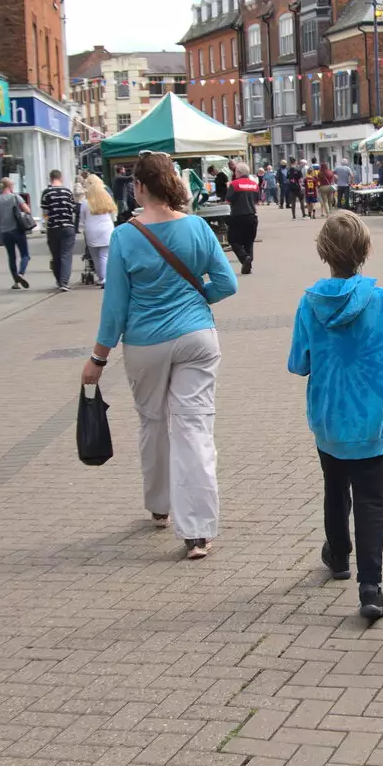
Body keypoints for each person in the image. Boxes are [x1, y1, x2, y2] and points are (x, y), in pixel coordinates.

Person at [84, 152, 237, 561]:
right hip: (196, 337)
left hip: (145, 342)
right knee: (194, 429)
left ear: (138, 187)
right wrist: (198, 300)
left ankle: (159, 505)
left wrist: (98, 359)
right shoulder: (198, 227)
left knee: (153, 422)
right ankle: (199, 532)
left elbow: (115, 307)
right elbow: (227, 282)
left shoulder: (125, 236)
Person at [288, 212, 383, 621]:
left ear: (324, 252)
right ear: (365, 251)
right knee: (371, 499)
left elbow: (299, 362)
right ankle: (371, 586)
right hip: (370, 418)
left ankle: (338, 554)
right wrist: (378, 367)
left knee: (334, 487)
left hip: (328, 417)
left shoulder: (309, 303)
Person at [0, 177, 32, 288]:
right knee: (25, 255)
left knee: (11, 257)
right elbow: (27, 210)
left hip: (5, 232)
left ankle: (16, 282)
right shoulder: (15, 197)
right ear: (9, 186)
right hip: (17, 230)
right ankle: (21, 273)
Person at [41, 169, 78, 291]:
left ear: (50, 178)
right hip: (68, 226)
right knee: (66, 254)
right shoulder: (67, 192)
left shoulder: (46, 193)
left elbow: (45, 213)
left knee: (55, 255)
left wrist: (48, 220)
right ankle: (64, 282)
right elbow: (73, 209)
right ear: (60, 178)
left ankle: (58, 280)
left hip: (53, 228)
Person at [80, 174, 117, 288]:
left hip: (92, 230)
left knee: (95, 256)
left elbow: (82, 219)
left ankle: (101, 277)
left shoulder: (86, 203)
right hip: (107, 229)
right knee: (105, 255)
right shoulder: (107, 199)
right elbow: (114, 216)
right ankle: (105, 278)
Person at [226, 162, 261, 274]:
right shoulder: (254, 185)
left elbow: (228, 200)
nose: (234, 173)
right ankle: (248, 265)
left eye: (235, 171)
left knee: (233, 240)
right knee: (249, 241)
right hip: (252, 216)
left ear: (239, 172)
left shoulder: (234, 184)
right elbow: (257, 200)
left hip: (238, 216)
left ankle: (245, 258)